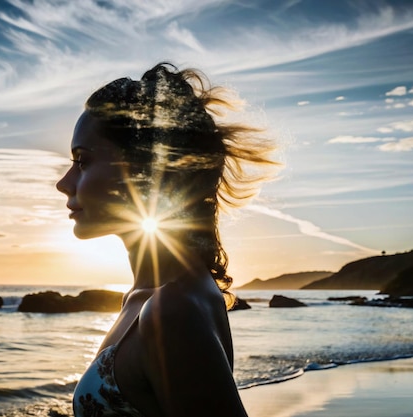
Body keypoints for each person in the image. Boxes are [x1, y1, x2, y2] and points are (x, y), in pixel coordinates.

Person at [56, 62, 279, 417]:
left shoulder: (170, 310)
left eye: (82, 161)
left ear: (143, 169)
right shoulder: (153, 296)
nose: (64, 183)